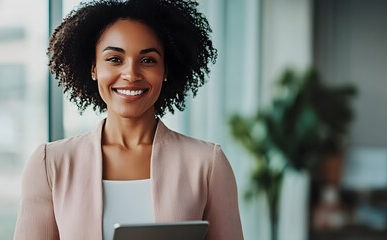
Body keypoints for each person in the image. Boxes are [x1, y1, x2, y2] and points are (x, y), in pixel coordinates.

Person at [13, 0, 243, 240]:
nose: (131, 74)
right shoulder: (50, 164)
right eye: (114, 59)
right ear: (93, 67)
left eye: (148, 60)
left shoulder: (207, 164)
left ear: (166, 70)